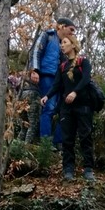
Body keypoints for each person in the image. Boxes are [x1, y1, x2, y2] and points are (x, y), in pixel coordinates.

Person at [41, 33, 95, 182]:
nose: (62, 45)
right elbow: (56, 84)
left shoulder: (83, 62)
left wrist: (75, 92)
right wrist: (47, 96)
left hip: (83, 106)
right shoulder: (62, 66)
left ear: (72, 45)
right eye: (61, 43)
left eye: (64, 42)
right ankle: (68, 170)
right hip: (66, 108)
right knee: (67, 139)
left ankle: (88, 169)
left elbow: (85, 79)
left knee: (85, 137)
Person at [29, 17, 76, 145]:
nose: (72, 33)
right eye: (71, 29)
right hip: (46, 76)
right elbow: (36, 51)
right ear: (62, 26)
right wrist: (34, 70)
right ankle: (45, 144)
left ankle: (58, 143)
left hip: (60, 81)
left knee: (64, 110)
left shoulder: (65, 45)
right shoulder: (47, 35)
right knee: (48, 108)